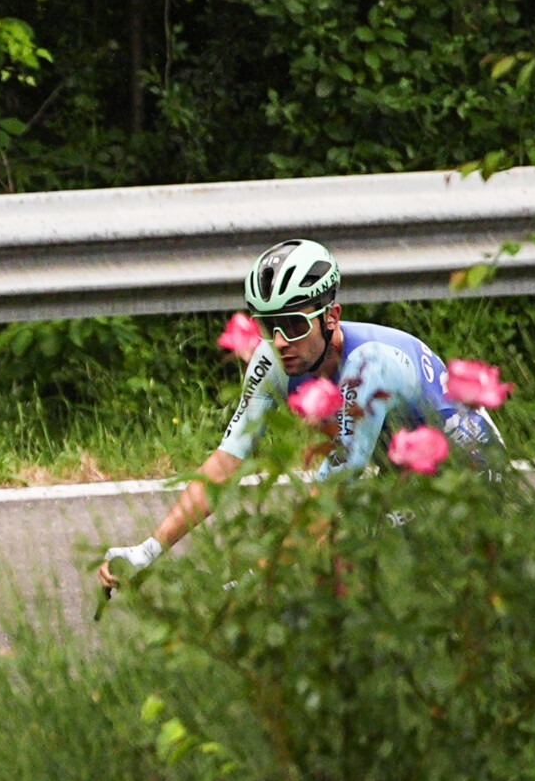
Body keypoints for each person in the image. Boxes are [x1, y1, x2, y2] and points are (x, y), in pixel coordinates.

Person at [99, 239, 504, 588]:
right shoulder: (274, 357)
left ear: (331, 318)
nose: (279, 341)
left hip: (470, 472)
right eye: (268, 324)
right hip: (406, 473)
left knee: (344, 560)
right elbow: (225, 462)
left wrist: (261, 578)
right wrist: (147, 551)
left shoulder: (369, 365)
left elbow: (328, 497)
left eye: (293, 324)